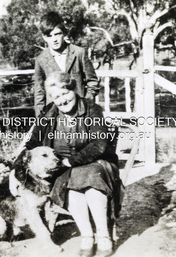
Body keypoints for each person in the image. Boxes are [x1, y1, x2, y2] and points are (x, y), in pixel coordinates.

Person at [26, 72, 123, 257]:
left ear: (73, 89)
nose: (62, 100)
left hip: (98, 163)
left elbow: (99, 144)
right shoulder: (48, 113)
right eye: (56, 97)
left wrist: (70, 161)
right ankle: (87, 236)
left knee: (91, 178)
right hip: (62, 168)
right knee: (70, 187)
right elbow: (30, 145)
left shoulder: (92, 109)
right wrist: (15, 172)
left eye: (65, 93)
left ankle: (103, 236)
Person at [34, 11, 100, 117]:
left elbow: (93, 83)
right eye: (49, 36)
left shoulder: (79, 53)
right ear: (44, 37)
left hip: (80, 112)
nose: (54, 39)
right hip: (55, 114)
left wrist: (85, 103)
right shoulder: (41, 59)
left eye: (57, 34)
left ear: (64, 33)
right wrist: (40, 118)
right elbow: (39, 91)